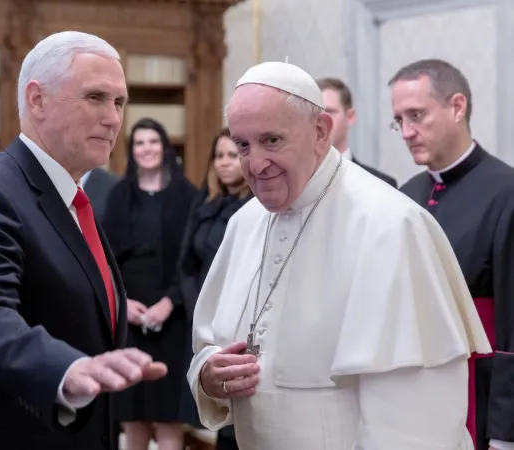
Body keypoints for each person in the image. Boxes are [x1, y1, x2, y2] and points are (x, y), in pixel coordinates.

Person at [187, 60, 491, 450]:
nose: (255, 163)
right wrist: (209, 377)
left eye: (272, 140)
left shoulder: (391, 225)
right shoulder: (244, 222)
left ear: (320, 131)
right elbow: (207, 347)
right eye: (243, 145)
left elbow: (413, 424)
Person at [0, 31, 167, 450]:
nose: (114, 118)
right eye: (96, 97)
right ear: (37, 99)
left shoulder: (73, 200)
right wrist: (65, 370)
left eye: (119, 102)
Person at [390, 58, 514, 450]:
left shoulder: (506, 191)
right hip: (412, 391)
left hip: (479, 389)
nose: (407, 132)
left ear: (457, 107)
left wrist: (504, 433)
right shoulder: (404, 196)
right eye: (399, 120)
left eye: (417, 116)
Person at [102, 117, 197, 450]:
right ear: (132, 151)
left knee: (168, 417)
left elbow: (192, 261)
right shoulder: (118, 196)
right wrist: (122, 303)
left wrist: (170, 302)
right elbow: (106, 260)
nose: (147, 149)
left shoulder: (188, 196)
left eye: (153, 142)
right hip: (129, 319)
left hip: (172, 318)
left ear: (165, 148)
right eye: (139, 143)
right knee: (132, 416)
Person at [176, 127, 253, 450]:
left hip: (241, 321)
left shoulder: (255, 209)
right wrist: (200, 309)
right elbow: (186, 264)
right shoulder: (205, 202)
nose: (224, 163)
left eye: (233, 155)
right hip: (204, 321)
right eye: (219, 156)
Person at [317, 77, 397, 187]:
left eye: (329, 113)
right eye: (314, 114)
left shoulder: (380, 184)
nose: (320, 122)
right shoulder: (290, 183)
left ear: (350, 117)